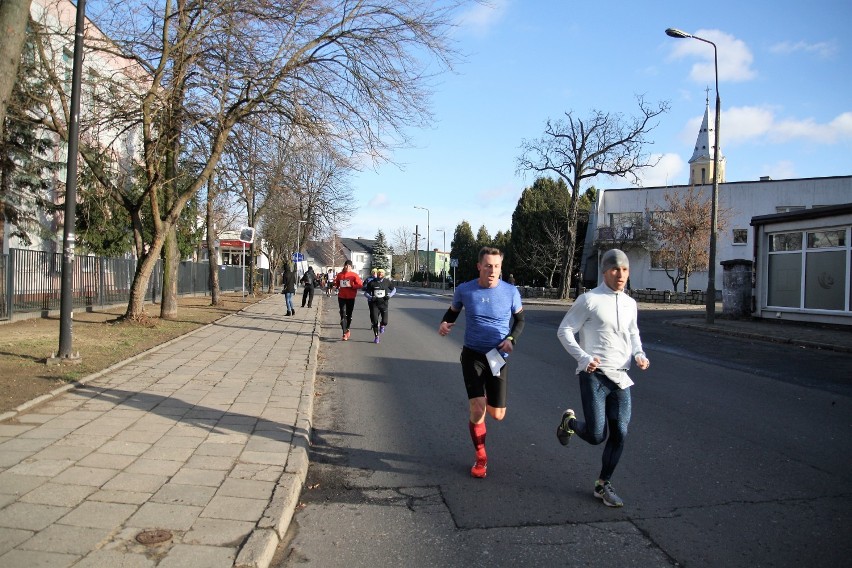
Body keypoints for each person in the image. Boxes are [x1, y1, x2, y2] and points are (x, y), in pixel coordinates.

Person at [555, 249, 650, 508]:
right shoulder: (589, 300)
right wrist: (583, 358)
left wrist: (639, 354)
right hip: (593, 375)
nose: (620, 275)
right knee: (597, 435)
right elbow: (564, 331)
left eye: (625, 269)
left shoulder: (630, 303)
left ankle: (603, 484)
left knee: (620, 432)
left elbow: (633, 333)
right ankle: (569, 423)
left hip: (621, 377)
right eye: (615, 269)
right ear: (605, 271)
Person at [438, 247, 524, 479]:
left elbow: (520, 320)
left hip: (497, 358)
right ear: (479, 266)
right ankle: (481, 457)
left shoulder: (510, 291)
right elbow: (453, 312)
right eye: (488, 266)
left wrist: (511, 339)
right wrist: (445, 323)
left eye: (496, 266)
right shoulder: (466, 290)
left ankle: (485, 399)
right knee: (477, 408)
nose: (492, 270)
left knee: (497, 415)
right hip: (473, 355)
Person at [362, 268, 396, 343]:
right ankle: (376, 337)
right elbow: (365, 293)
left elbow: (394, 290)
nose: (380, 274)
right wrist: (371, 297)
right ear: (377, 274)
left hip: (384, 304)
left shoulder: (387, 282)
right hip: (374, 304)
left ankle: (382, 325)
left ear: (384, 274)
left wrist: (390, 295)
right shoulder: (372, 282)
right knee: (374, 321)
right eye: (379, 273)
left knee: (385, 321)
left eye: (382, 273)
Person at [333, 260, 363, 341]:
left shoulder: (354, 275)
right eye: (346, 265)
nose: (347, 267)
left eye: (349, 266)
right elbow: (337, 283)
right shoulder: (340, 275)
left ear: (351, 267)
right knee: (343, 314)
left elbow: (360, 285)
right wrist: (335, 285)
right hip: (341, 297)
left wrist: (352, 286)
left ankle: (348, 329)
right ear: (344, 266)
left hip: (351, 297)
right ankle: (344, 333)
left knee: (349, 315)